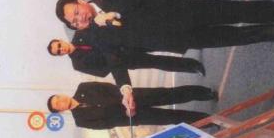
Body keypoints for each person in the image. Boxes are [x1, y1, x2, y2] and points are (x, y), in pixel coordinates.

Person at [55, 0, 274, 57]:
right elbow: (117, 60)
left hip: (180, 12)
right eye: (74, 22)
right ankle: (273, 33)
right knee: (231, 37)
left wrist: (111, 14)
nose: (80, 19)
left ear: (80, 1)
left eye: (76, 12)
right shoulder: (98, 37)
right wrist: (125, 88)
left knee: (232, 11)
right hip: (175, 39)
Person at [47, 81, 215, 129]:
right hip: (133, 116)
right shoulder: (81, 121)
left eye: (58, 98)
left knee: (170, 94)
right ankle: (210, 120)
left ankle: (205, 93)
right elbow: (107, 124)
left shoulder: (83, 87)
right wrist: (129, 115)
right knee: (172, 118)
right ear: (60, 111)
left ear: (61, 94)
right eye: (57, 106)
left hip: (135, 96)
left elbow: (110, 87)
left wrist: (126, 97)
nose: (61, 102)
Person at [47, 37, 207, 83]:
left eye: (59, 46)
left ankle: (194, 43)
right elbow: (102, 73)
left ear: (61, 40)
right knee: (159, 62)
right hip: (125, 60)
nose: (62, 49)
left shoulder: (80, 35)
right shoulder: (77, 64)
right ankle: (193, 66)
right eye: (59, 52)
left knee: (162, 42)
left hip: (126, 42)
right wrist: (112, 59)